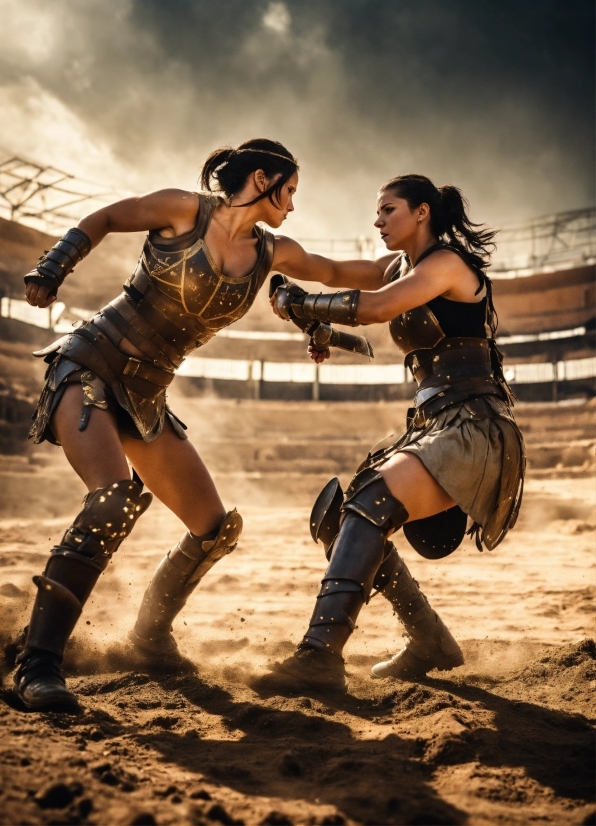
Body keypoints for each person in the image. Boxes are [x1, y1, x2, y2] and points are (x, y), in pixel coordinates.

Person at [16, 138, 392, 711]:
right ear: (263, 179)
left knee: (214, 526)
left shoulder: (273, 253)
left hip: (148, 397)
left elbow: (343, 270)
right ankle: (37, 664)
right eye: (289, 190)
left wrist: (423, 253)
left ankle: (149, 637)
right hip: (91, 363)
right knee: (113, 500)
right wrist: (55, 263)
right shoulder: (183, 209)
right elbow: (111, 216)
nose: (292, 205)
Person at [269, 173, 525, 692]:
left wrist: (301, 306)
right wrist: (263, 250)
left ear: (422, 212)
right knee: (341, 520)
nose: (378, 219)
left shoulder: (448, 264)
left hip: (475, 426)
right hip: (435, 425)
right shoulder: (397, 266)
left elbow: (379, 307)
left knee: (370, 499)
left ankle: (318, 657)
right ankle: (430, 641)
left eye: (388, 210)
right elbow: (330, 268)